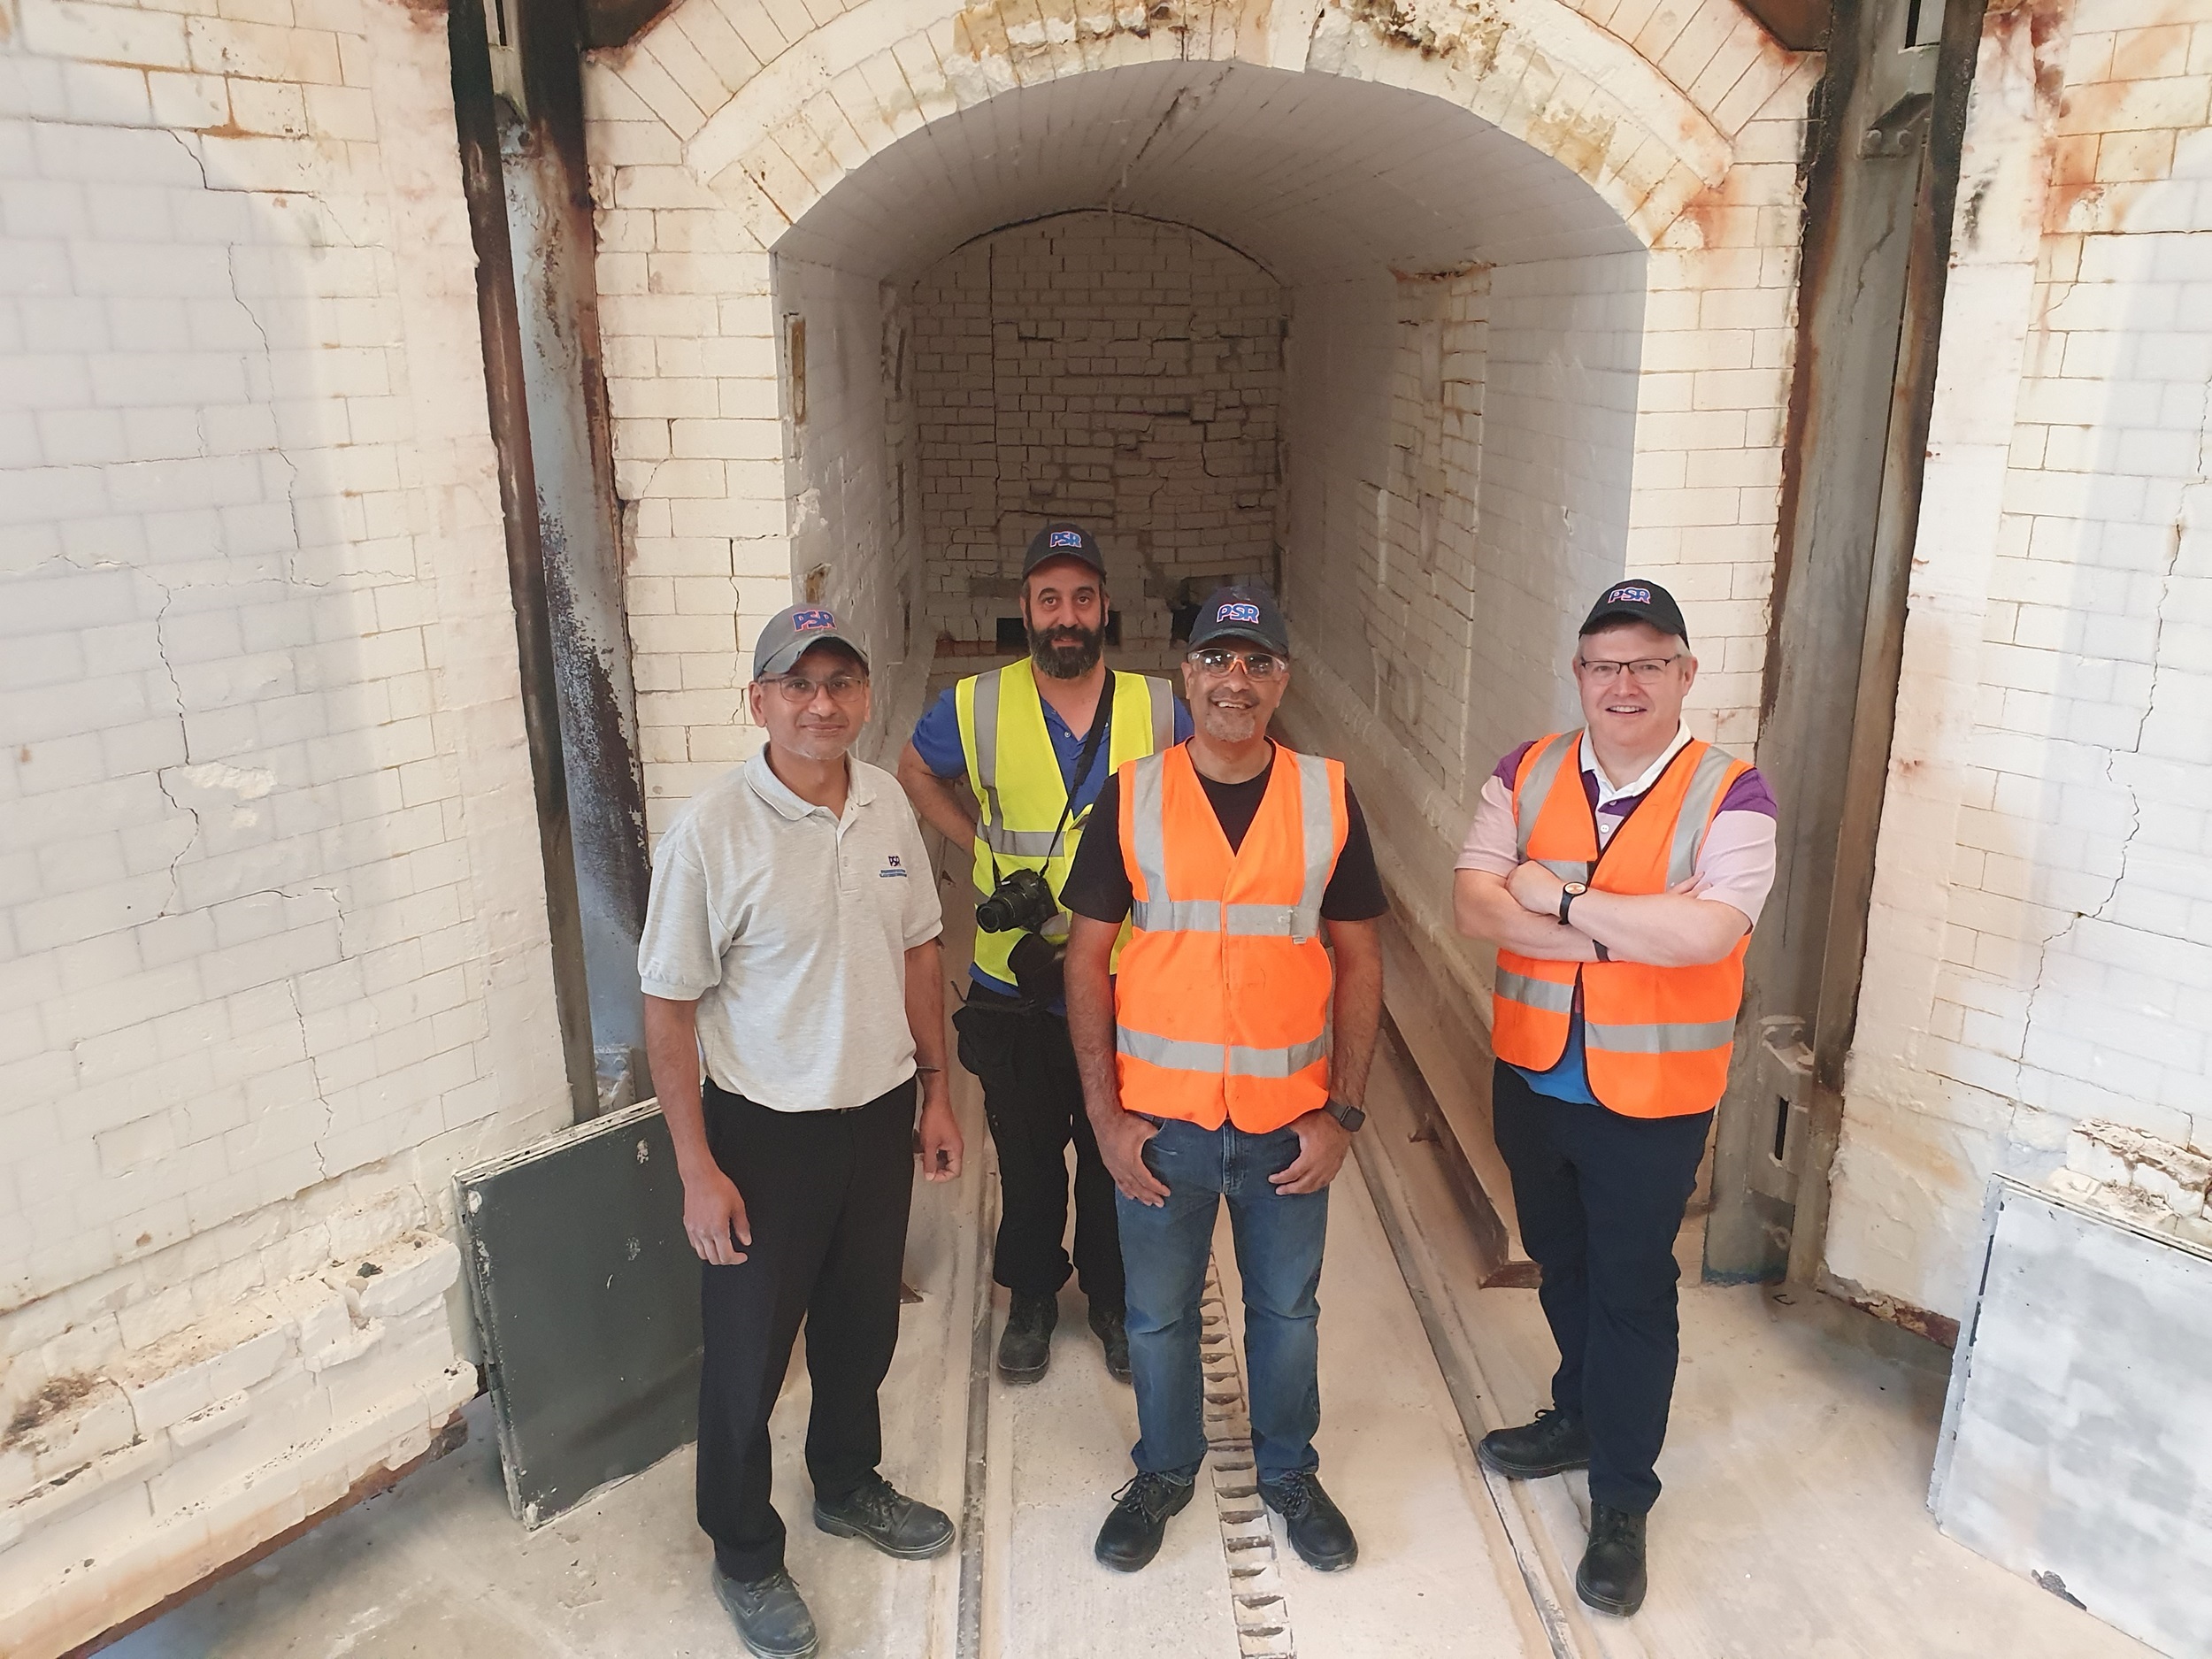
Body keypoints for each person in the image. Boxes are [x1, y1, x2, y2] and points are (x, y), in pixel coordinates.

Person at [639, 604, 964, 1659]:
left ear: (863, 696)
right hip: (760, 1135)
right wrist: (696, 1169)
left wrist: (937, 1094)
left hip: (874, 1118)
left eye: (840, 683)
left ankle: (846, 1484)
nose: (822, 706)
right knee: (746, 1357)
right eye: (798, 686)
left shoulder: (883, 807)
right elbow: (670, 1010)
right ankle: (742, 1549)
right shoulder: (711, 834)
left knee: (860, 1326)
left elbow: (920, 954)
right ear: (760, 702)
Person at [1454, 579, 1778, 1618]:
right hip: (1534, 1074)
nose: (1624, 683)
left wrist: (1551, 896)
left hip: (1651, 1097)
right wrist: (1623, 925)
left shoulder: (1734, 794)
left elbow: (1706, 936)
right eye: (1604, 664)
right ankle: (1579, 1413)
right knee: (1559, 1261)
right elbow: (1472, 904)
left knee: (1632, 1287)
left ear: (1684, 674)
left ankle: (1622, 1497)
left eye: (1648, 663)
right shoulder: (1526, 768)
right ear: (1579, 676)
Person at [1061, 584, 1387, 1575]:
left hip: (1289, 1126)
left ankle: (1288, 1470)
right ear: (1183, 675)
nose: (1233, 681)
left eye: (1255, 663)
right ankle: (1164, 1468)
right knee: (1158, 1318)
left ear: (1282, 679)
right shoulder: (1134, 792)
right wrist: (1106, 1119)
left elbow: (1362, 961)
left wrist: (1345, 1114)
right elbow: (1085, 960)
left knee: (1286, 1313)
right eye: (1214, 659)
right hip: (1162, 1128)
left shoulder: (1327, 795)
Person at [897, 523, 1189, 1385]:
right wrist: (974, 839)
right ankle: (1028, 1297)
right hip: (1012, 984)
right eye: (1049, 598)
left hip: (1126, 979)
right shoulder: (974, 705)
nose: (1067, 616)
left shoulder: (1160, 707)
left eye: (1083, 599)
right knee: (1025, 1159)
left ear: (1105, 610)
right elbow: (916, 770)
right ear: (1025, 608)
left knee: (1117, 1153)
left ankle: (1109, 1298)